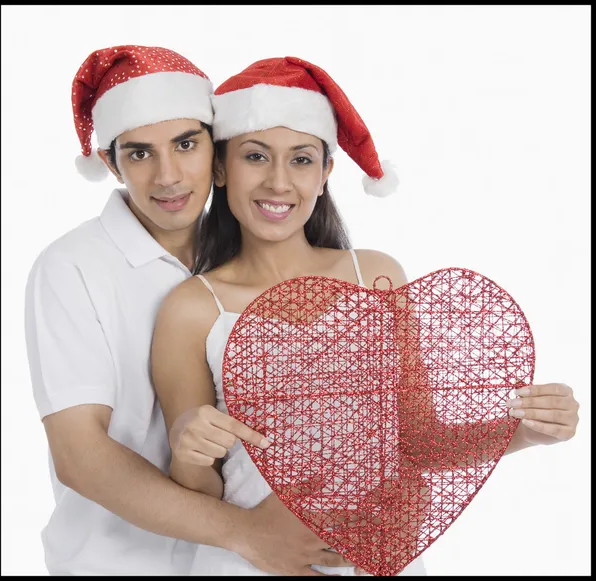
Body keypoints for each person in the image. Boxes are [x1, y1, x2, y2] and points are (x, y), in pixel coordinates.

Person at [151, 56, 581, 576]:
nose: (279, 182)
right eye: (256, 156)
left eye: (303, 160)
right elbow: (199, 489)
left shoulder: (376, 276)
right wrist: (189, 448)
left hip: (383, 559)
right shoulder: (193, 308)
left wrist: (528, 432)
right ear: (221, 168)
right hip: (253, 564)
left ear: (327, 171)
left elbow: (420, 441)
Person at [24, 46, 354, 577]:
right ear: (109, 162)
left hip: (239, 560)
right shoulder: (72, 268)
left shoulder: (247, 253)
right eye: (139, 153)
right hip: (119, 562)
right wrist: (248, 534)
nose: (168, 176)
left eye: (185, 144)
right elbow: (80, 454)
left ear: (215, 151)